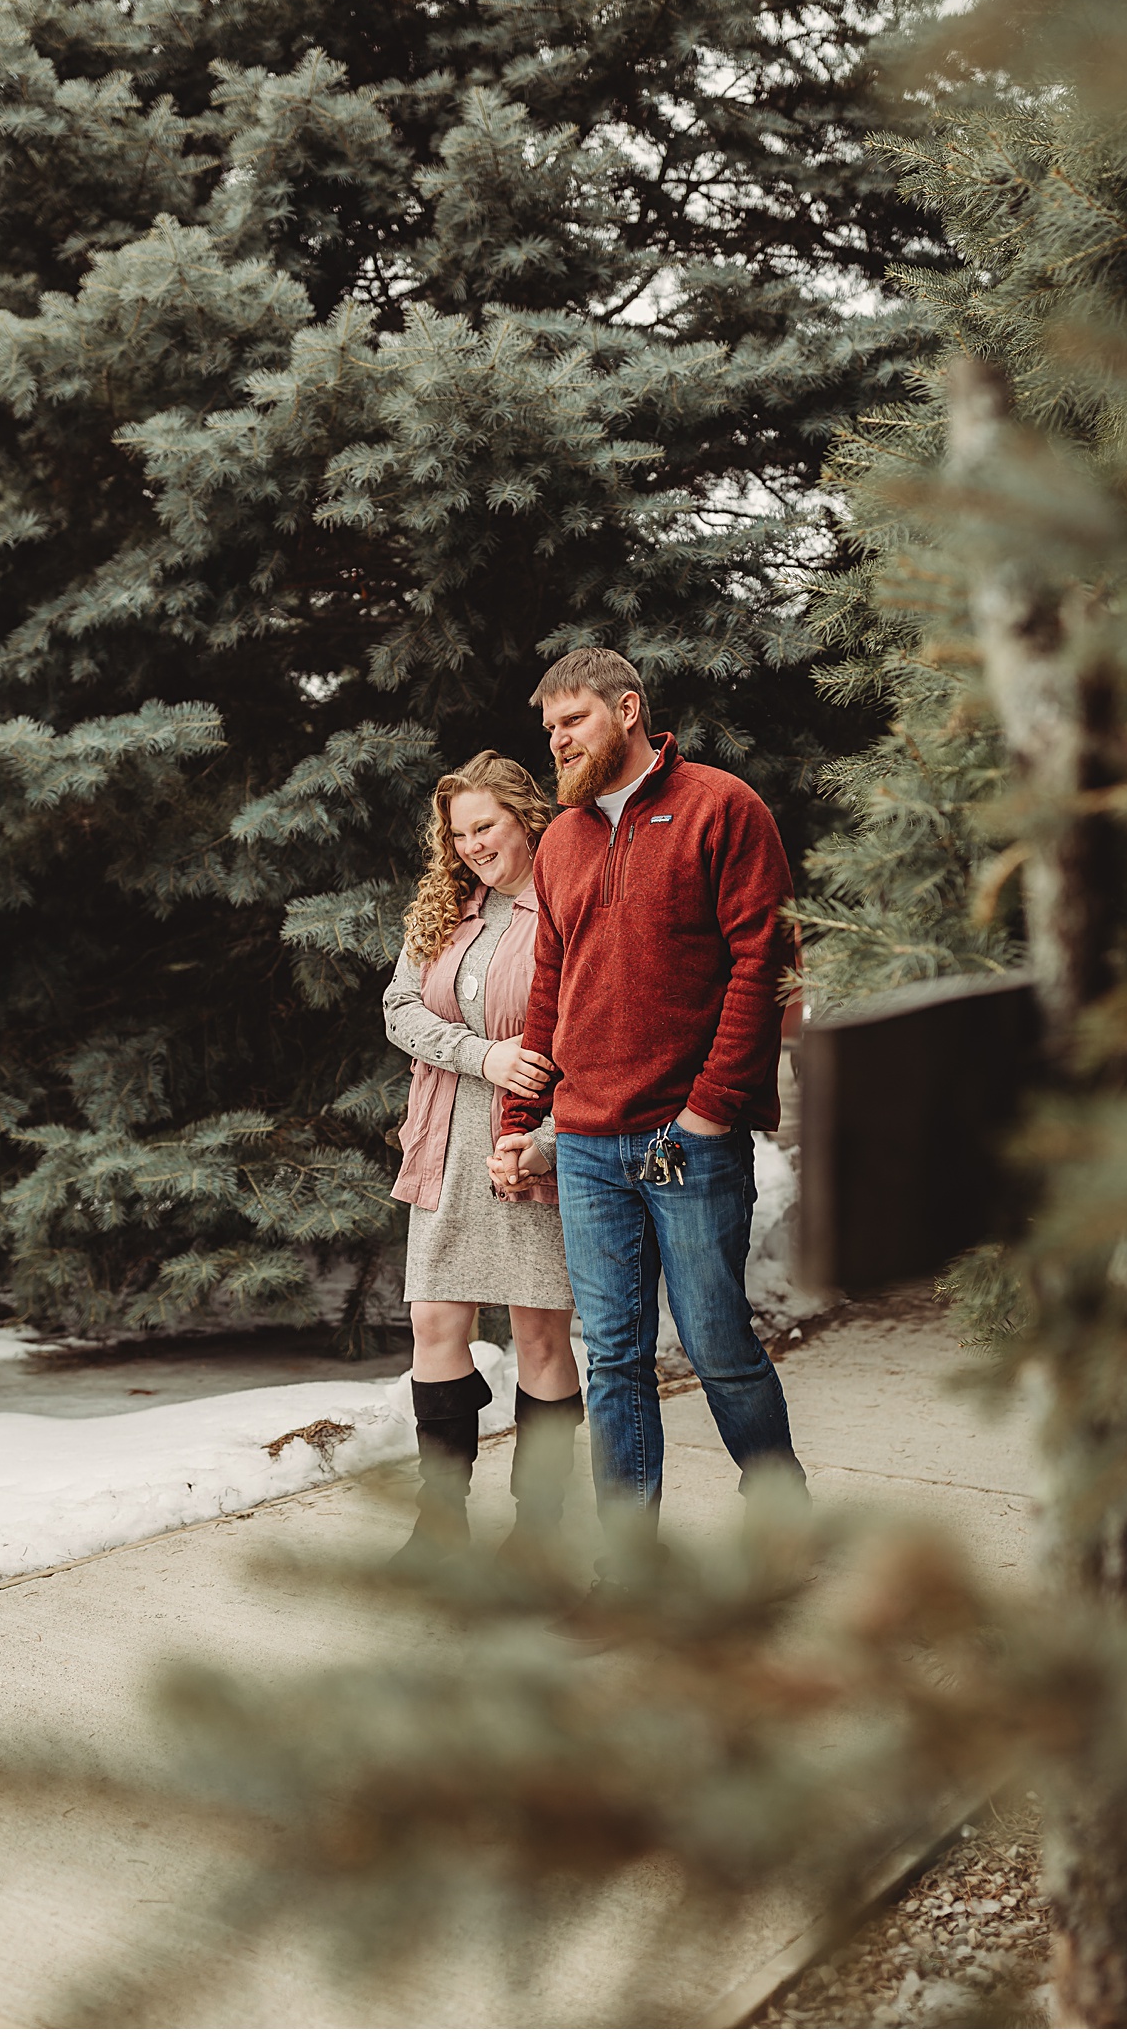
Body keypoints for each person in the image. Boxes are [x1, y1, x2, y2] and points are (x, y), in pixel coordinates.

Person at [489, 648, 806, 1590]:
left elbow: (765, 961)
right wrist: (522, 1113)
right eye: (549, 729)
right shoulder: (561, 840)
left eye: (573, 721)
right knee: (617, 1358)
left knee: (716, 1344)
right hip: (587, 1140)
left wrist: (712, 1111)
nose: (558, 740)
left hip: (687, 1135)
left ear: (629, 710)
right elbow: (550, 983)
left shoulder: (721, 806)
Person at [383, 751, 582, 1564]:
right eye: (458, 833)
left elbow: (596, 1038)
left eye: (486, 826)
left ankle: (536, 1535)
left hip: (525, 1142)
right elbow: (398, 1007)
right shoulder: (445, 909)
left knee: (539, 1336)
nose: (471, 845)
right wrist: (482, 1055)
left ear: (525, 817)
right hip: (443, 1136)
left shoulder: (567, 906)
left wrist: (547, 1139)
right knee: (435, 1320)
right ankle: (440, 1525)